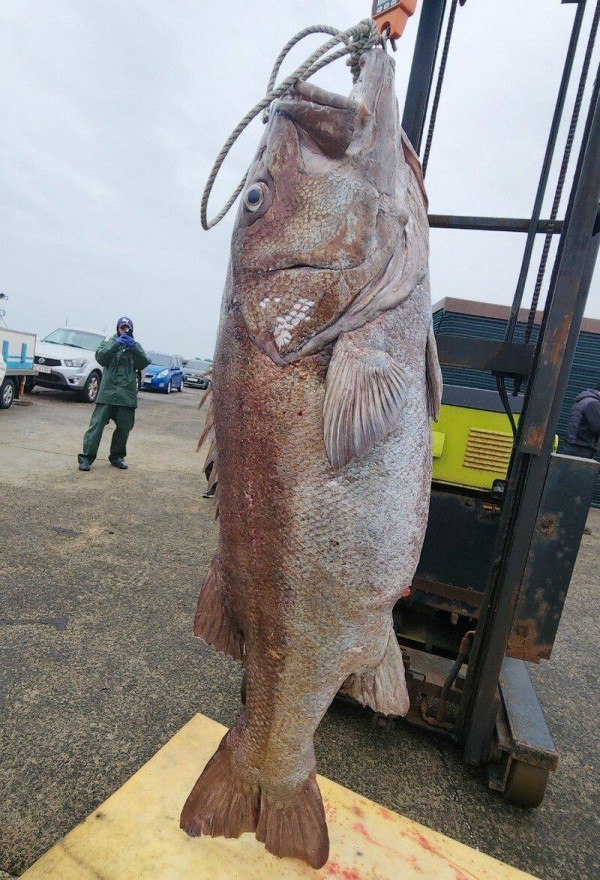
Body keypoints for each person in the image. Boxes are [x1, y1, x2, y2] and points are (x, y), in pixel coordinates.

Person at [77, 317, 150, 471]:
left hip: (126, 396)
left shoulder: (135, 346)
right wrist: (115, 345)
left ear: (131, 329)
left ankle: (117, 457)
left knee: (124, 428)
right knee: (96, 427)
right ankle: (86, 458)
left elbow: (143, 362)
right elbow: (101, 357)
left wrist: (134, 347)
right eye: (122, 327)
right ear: (117, 328)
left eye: (127, 328)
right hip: (107, 394)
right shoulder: (109, 342)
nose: (124, 330)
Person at [564, 385, 600, 458]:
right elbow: (598, 427)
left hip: (572, 446)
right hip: (581, 450)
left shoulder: (584, 399)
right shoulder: (593, 403)